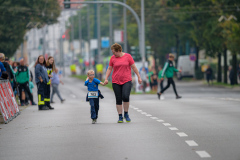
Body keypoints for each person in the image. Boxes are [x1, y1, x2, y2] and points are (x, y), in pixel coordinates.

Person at [104, 43, 142, 123]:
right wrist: (106, 78)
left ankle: (126, 114)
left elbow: (134, 67)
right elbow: (109, 69)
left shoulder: (128, 56)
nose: (113, 54)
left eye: (114, 52)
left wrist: (138, 76)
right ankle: (120, 116)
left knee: (125, 96)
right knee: (118, 99)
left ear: (119, 50)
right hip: (115, 81)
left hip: (127, 80)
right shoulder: (112, 58)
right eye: (112, 52)